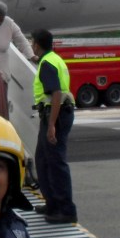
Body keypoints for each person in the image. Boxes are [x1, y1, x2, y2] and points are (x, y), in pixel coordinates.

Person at [31, 28, 77, 224]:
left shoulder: (48, 63)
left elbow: (56, 93)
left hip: (55, 115)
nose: (31, 45)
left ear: (37, 45)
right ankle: (52, 203)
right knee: (42, 159)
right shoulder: (51, 59)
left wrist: (51, 125)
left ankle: (66, 210)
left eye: (32, 42)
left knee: (56, 162)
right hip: (54, 114)